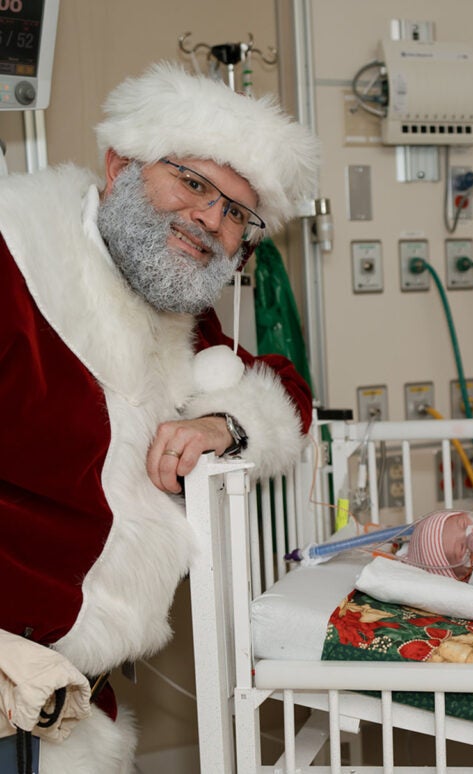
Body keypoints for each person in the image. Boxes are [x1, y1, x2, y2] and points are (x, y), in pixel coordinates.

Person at [0, 62, 320, 772]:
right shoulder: (17, 257)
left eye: (237, 211)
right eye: (194, 184)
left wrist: (224, 426)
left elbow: (286, 391)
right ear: (120, 166)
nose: (211, 220)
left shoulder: (175, 313)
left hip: (67, 704)